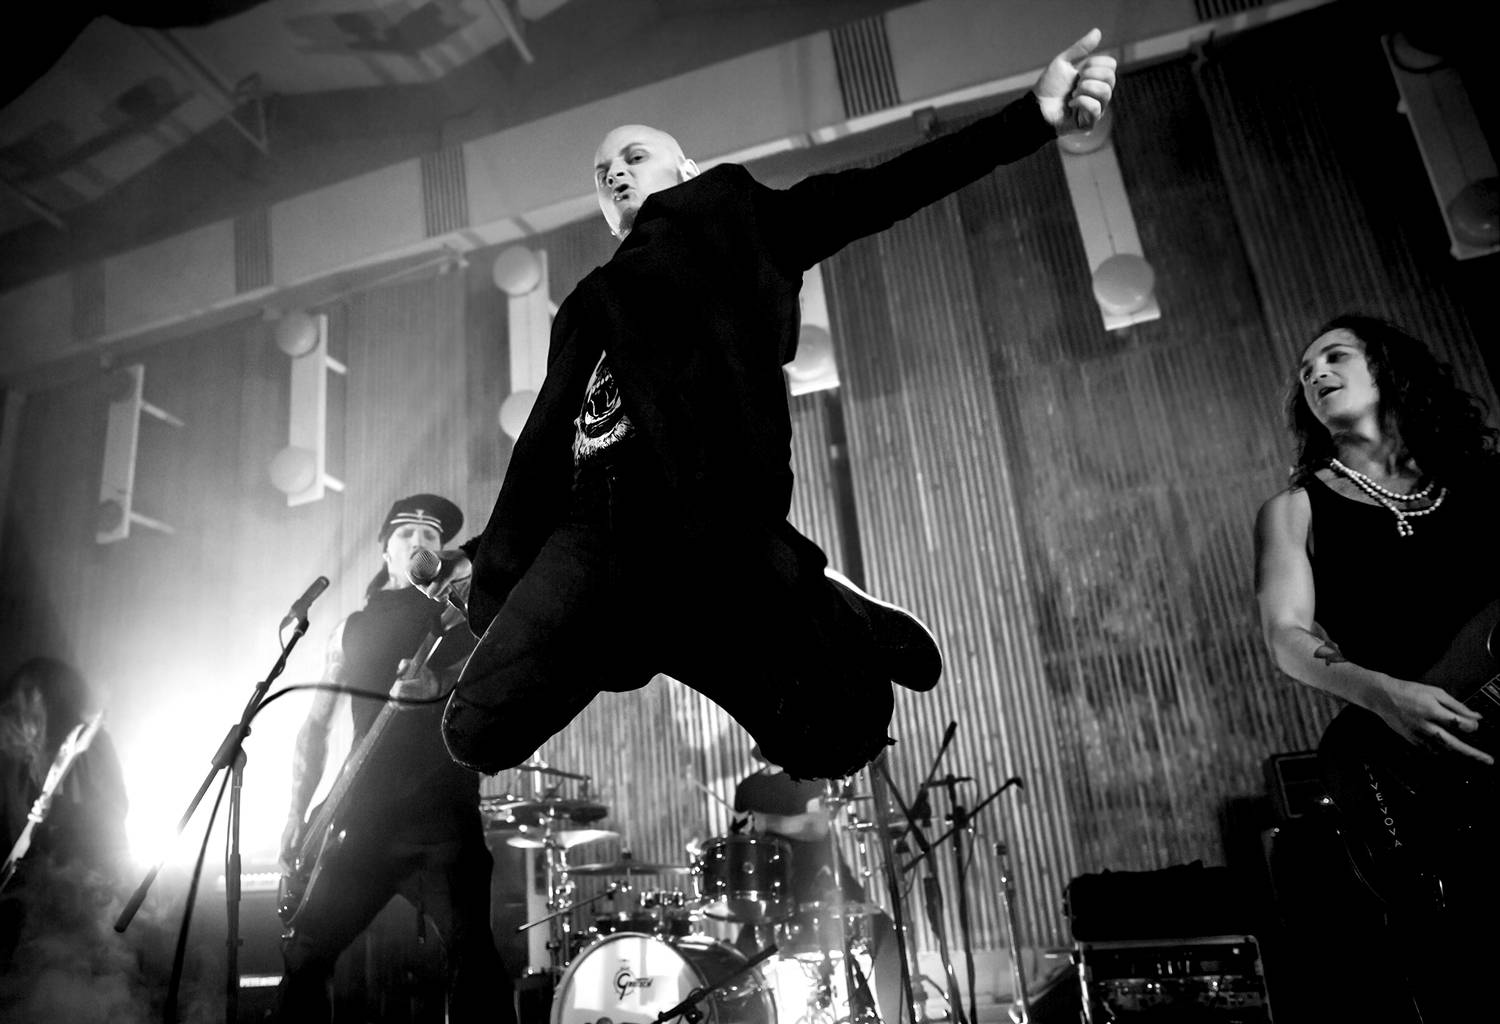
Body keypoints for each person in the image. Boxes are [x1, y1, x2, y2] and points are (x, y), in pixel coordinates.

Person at [438, 30, 1118, 783]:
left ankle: (815, 601)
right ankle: (648, 626)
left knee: (838, 740)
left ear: (685, 169)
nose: (616, 174)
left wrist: (1029, 119)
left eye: (633, 156)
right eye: (603, 174)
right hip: (593, 529)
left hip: (705, 526)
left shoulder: (739, 223)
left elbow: (882, 190)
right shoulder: (586, 305)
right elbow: (544, 453)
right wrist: (489, 557)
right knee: (475, 735)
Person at [1254, 314, 1500, 1021]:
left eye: (1335, 356)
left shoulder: (1482, 481)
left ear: (1388, 369)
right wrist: (1384, 694)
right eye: (1305, 372)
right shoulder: (1293, 511)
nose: (1316, 374)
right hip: (1402, 761)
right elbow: (1286, 634)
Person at [274, 494, 514, 1024]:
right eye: (408, 534)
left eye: (432, 537)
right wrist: (295, 811)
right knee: (305, 955)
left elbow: (496, 660)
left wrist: (439, 683)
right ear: (385, 550)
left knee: (474, 960)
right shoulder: (348, 630)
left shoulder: (461, 610)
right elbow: (315, 727)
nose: (422, 542)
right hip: (363, 822)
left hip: (444, 822)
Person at [733, 748, 901, 1024]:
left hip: (825, 885)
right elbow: (739, 843)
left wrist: (767, 821)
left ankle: (896, 1019)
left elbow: (817, 826)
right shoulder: (746, 789)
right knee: (737, 966)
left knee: (886, 936)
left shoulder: (809, 776)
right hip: (771, 896)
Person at [0, 657, 128, 970]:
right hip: (30, 903)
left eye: (34, 696)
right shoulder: (18, 760)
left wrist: (65, 818)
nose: (25, 707)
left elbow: (115, 808)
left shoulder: (89, 742)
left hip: (87, 896)